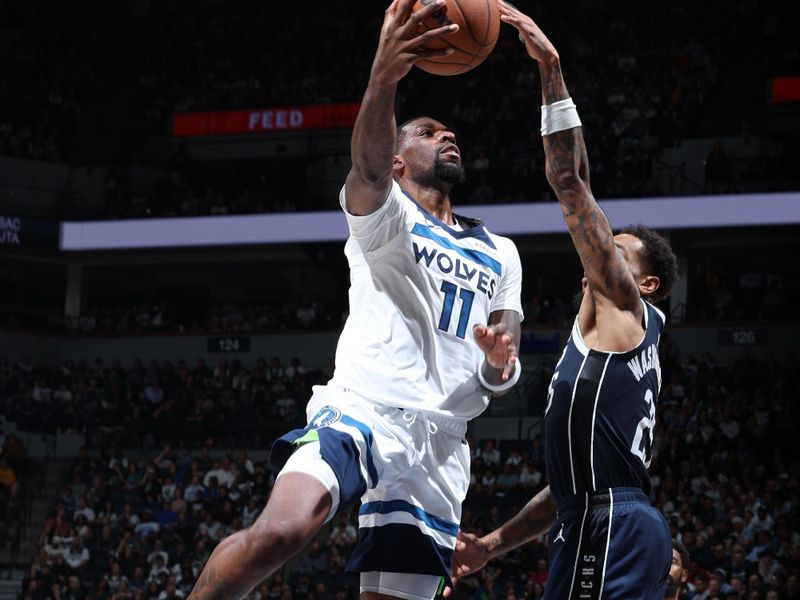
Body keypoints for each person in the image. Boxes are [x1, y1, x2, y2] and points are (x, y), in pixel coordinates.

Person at [187, 2, 524, 600]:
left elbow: (502, 364)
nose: (447, 134)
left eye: (449, 132)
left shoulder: (501, 251)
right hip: (362, 407)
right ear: (398, 162)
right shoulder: (385, 216)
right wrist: (383, 78)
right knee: (282, 531)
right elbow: (366, 168)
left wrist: (501, 366)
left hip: (440, 443)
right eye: (427, 132)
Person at [451, 2, 679, 598]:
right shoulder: (610, 337)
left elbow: (570, 179)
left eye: (617, 248)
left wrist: (551, 71)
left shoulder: (627, 306)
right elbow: (566, 489)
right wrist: (494, 545)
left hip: (611, 522)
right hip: (601, 515)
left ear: (646, 283)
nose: (601, 247)